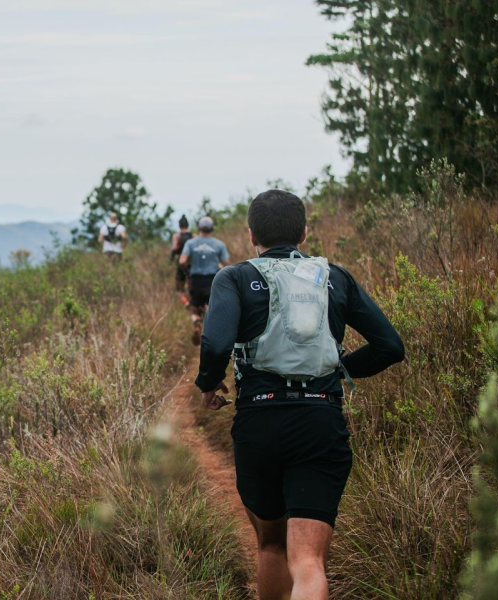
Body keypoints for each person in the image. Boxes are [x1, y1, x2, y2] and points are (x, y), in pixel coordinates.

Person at [196, 190, 405, 600]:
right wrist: (342, 368)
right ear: (304, 233)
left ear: (251, 233)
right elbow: (390, 347)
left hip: (259, 425)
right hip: (320, 423)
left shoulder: (234, 277)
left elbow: (216, 344)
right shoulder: (335, 278)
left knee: (270, 544)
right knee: (308, 560)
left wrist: (208, 383)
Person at [179, 216, 229, 345]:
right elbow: (227, 263)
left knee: (195, 309)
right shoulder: (219, 244)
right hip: (213, 280)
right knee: (212, 307)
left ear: (198, 228)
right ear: (212, 228)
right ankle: (212, 334)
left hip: (196, 280)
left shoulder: (190, 243)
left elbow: (182, 261)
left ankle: (197, 324)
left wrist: (188, 272)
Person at [170, 216, 194, 293]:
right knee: (191, 283)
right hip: (191, 261)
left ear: (179, 225)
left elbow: (174, 248)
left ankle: (184, 301)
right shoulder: (193, 236)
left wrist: (171, 258)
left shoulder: (177, 236)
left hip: (181, 261)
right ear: (187, 225)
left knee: (180, 286)